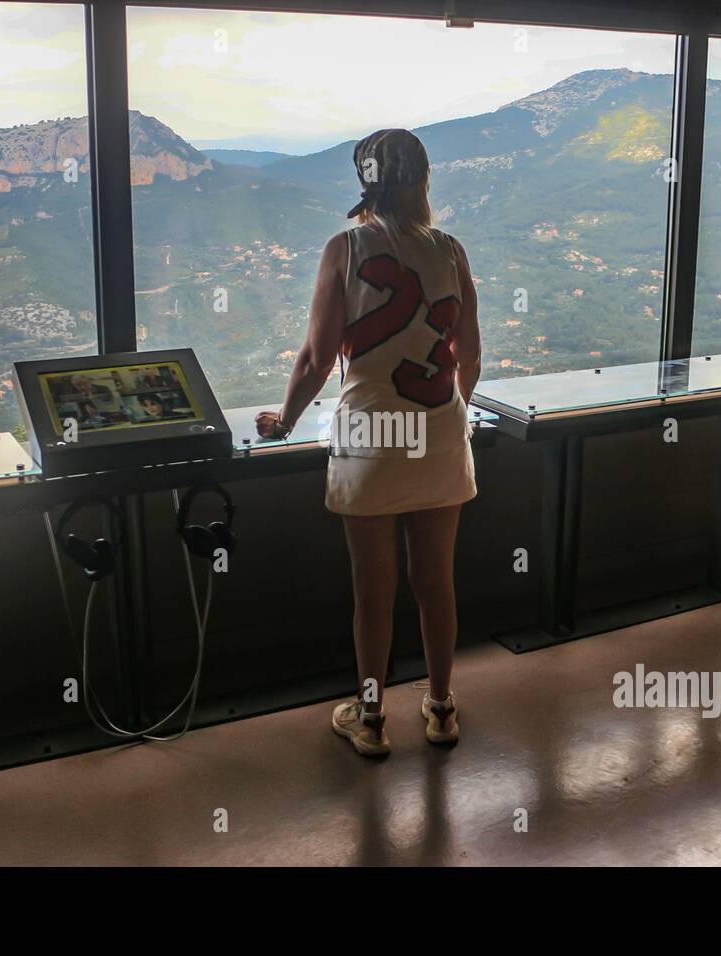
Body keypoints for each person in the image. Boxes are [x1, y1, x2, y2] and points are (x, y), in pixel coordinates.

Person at [256, 129, 481, 757]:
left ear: (366, 181)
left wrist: (287, 418)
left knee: (373, 591)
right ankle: (439, 707)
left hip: (370, 434)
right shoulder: (450, 249)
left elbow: (317, 356)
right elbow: (471, 355)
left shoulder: (344, 248)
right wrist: (453, 413)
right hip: (438, 427)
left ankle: (373, 717)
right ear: (423, 178)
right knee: (436, 581)